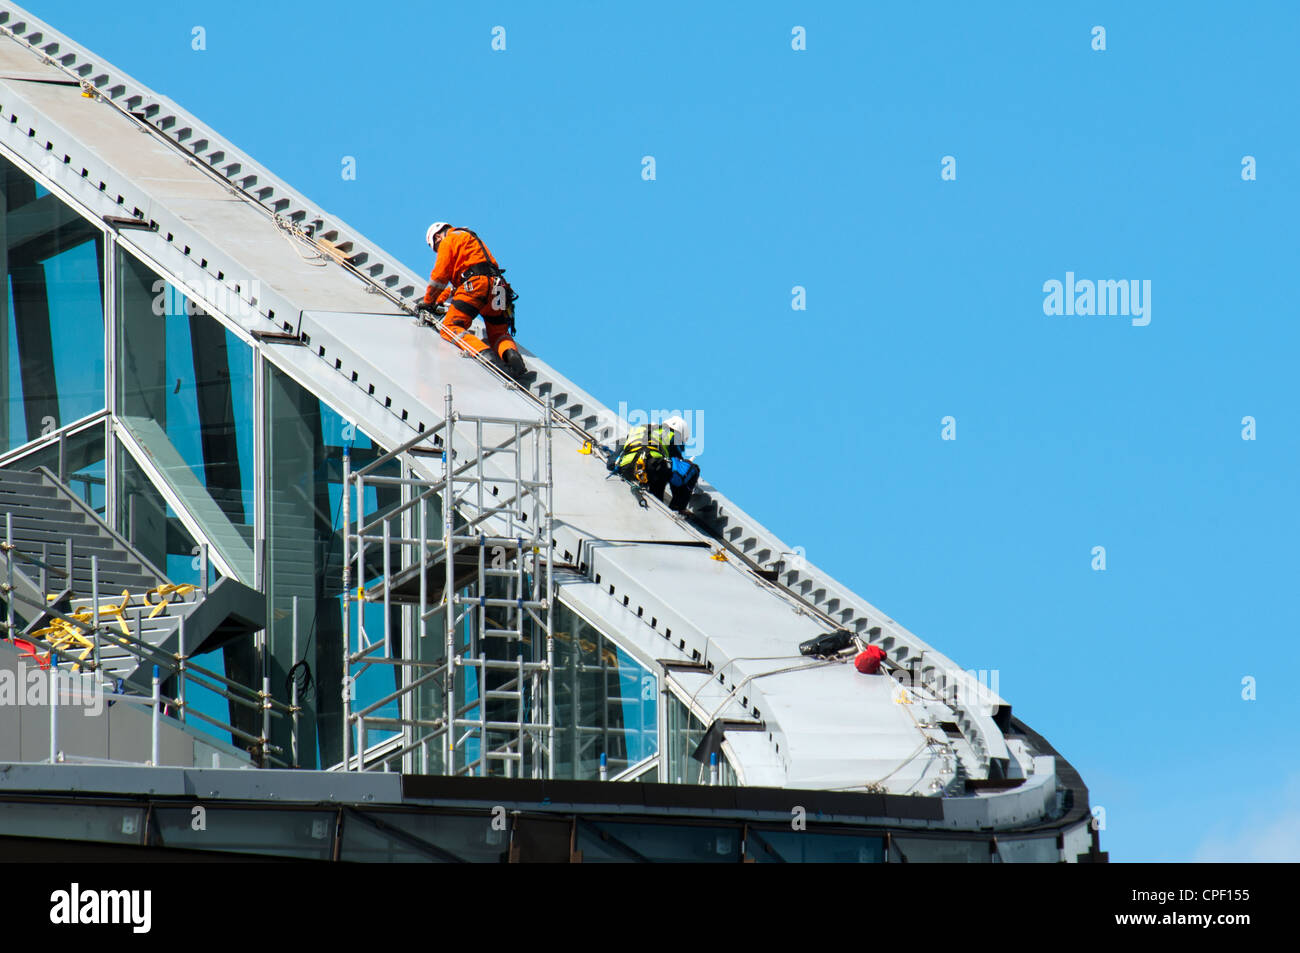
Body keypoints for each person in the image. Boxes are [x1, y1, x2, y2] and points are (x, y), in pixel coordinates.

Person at [415, 222, 527, 378]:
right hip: (498, 288)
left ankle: (489, 359)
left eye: (436, 248)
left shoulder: (448, 241)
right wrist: (438, 301)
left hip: (476, 286)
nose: (437, 251)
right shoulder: (470, 239)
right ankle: (513, 358)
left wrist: (427, 302)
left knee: (451, 326)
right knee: (498, 332)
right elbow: (456, 286)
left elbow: (439, 277)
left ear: (438, 236)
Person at [606, 414, 700, 511]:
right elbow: (676, 465)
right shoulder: (671, 434)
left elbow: (611, 464)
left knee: (660, 471)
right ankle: (677, 508)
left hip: (626, 468)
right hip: (652, 468)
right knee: (691, 469)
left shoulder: (641, 429)